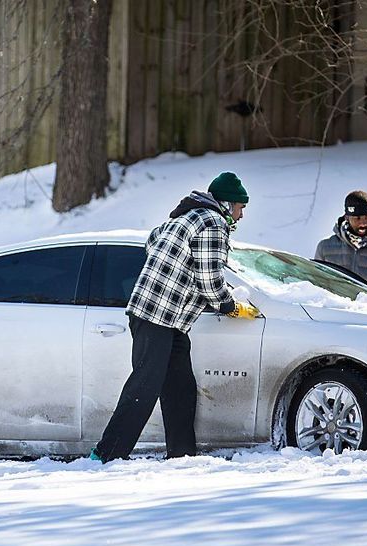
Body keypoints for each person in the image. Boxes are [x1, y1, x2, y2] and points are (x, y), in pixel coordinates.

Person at [91, 172, 259, 463]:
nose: (241, 214)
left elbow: (153, 242)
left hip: (165, 319)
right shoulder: (213, 222)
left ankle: (182, 456)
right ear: (227, 204)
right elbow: (209, 278)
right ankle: (106, 454)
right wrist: (229, 306)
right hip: (157, 317)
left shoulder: (181, 219)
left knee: (180, 387)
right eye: (240, 207)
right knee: (145, 386)